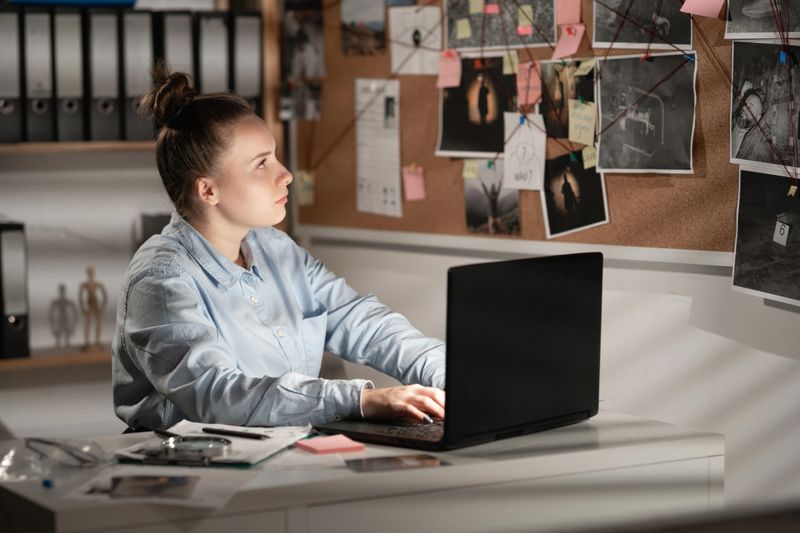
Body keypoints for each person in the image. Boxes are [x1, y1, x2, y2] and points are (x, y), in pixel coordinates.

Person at [112, 64, 445, 431]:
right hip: (189, 472)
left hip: (282, 458)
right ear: (208, 190)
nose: (284, 174)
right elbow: (216, 393)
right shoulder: (160, 280)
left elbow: (364, 322)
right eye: (261, 164)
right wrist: (359, 400)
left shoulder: (274, 248)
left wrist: (451, 375)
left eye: (275, 156)